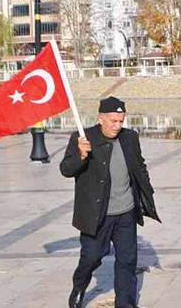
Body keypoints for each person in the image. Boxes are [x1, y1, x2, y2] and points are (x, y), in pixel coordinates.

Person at [61, 97, 160, 308]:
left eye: (121, 121)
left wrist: (147, 192)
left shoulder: (130, 137)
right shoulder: (83, 138)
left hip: (126, 212)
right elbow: (66, 170)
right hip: (97, 213)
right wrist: (80, 154)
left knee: (127, 261)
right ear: (100, 119)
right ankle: (79, 286)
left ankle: (125, 303)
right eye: (113, 121)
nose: (117, 126)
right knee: (92, 256)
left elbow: (139, 166)